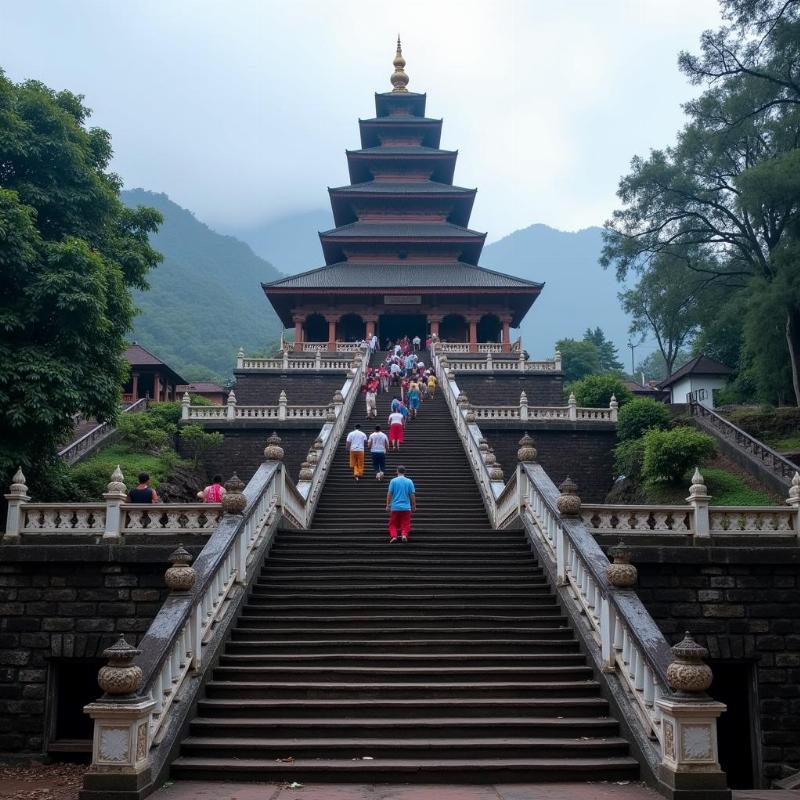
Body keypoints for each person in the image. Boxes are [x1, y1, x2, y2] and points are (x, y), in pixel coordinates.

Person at [386, 465, 416, 543]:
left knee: (392, 524)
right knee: (405, 523)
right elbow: (412, 495)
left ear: (397, 471)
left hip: (395, 507)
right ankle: (404, 535)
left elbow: (389, 493)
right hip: (406, 507)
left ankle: (394, 536)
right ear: (405, 472)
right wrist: (414, 505)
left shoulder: (393, 481)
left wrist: (388, 504)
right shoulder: (409, 481)